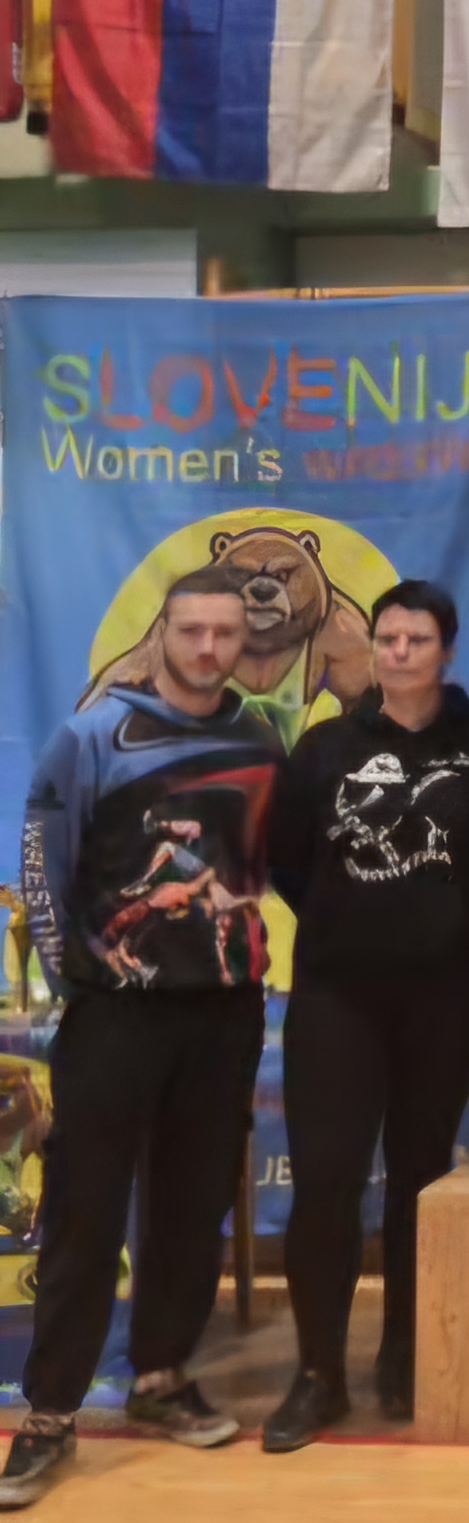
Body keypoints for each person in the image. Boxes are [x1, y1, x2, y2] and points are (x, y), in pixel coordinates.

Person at [0, 569, 281, 1510]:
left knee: (193, 1207)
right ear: (161, 631)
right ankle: (49, 1415)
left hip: (226, 1011)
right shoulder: (92, 734)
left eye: (225, 634)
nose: (207, 648)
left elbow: (263, 865)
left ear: (245, 641)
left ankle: (162, 1377)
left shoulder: (259, 737)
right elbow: (42, 862)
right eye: (191, 630)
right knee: (85, 1208)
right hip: (114, 1013)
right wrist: (80, 975)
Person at [261, 580, 469, 1450]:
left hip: (453, 993)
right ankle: (317, 1375)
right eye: (387, 639)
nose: (399, 653)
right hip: (339, 993)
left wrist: (454, 928)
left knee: (419, 1173)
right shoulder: (326, 747)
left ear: (448, 651)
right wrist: (355, 919)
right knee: (327, 1179)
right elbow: (288, 860)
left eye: (417, 640)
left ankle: (406, 1353)